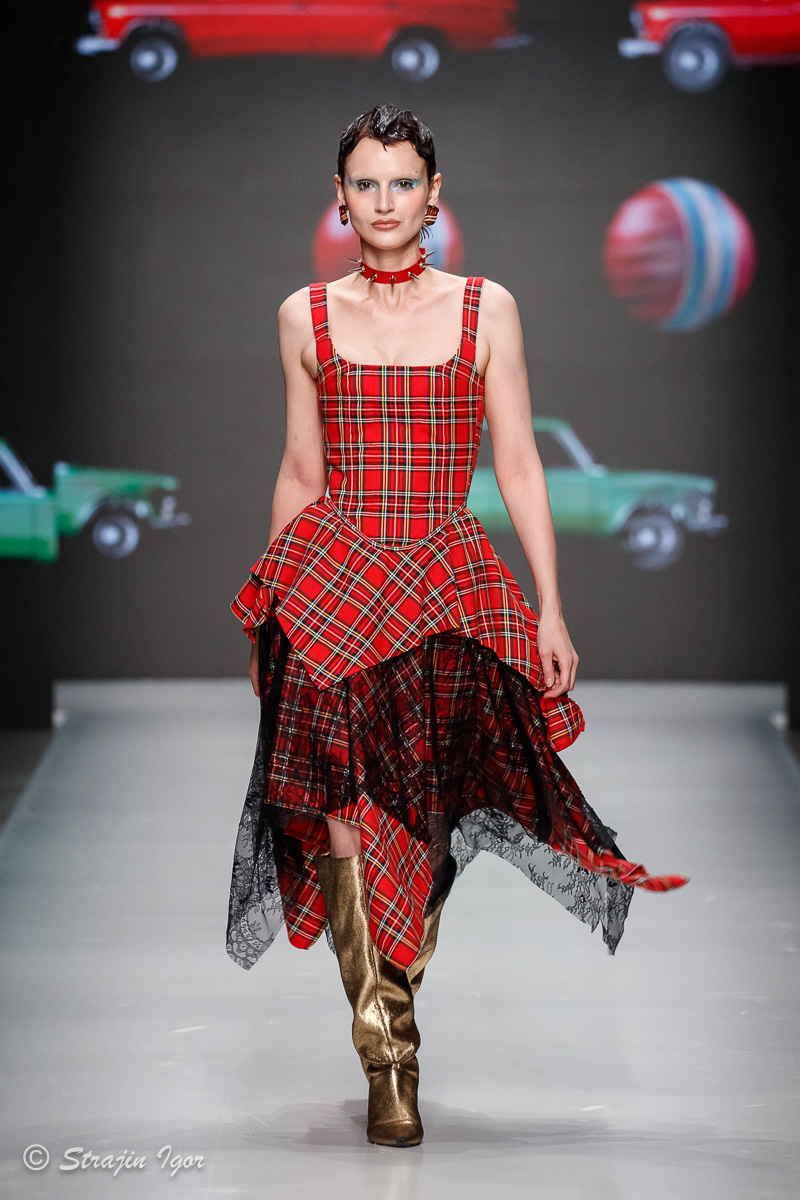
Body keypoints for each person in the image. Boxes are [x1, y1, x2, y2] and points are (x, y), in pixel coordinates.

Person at [225, 104, 688, 1149]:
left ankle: (396, 996)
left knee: (423, 818)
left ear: (433, 196)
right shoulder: (305, 315)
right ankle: (388, 1057)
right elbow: (300, 469)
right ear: (340, 199)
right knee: (345, 816)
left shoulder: (487, 309)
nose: (383, 201)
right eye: (365, 183)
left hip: (445, 585)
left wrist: (550, 606)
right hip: (332, 583)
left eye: (402, 182)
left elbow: (518, 461)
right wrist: (272, 611)